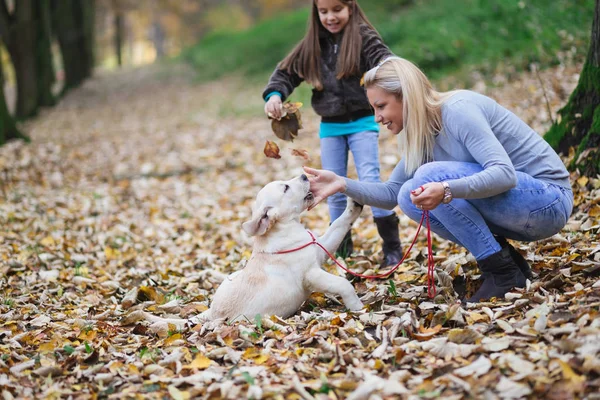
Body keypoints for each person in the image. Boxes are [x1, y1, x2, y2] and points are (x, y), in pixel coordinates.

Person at [304, 57, 573, 302]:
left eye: (381, 106)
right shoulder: (420, 133)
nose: (377, 118)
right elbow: (390, 195)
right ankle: (507, 266)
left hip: (548, 202)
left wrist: (446, 188)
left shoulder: (458, 110)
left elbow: (504, 174)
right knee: (409, 194)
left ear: (406, 96)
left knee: (428, 177)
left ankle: (501, 276)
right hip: (519, 211)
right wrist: (341, 183)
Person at [262, 0, 403, 267]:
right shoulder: (312, 44)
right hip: (331, 125)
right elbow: (286, 72)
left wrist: (395, 70)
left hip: (363, 120)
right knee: (332, 188)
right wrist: (275, 94)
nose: (330, 17)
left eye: (336, 10)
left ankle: (392, 247)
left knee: (370, 179)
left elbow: (383, 60)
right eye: (323, 11)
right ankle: (340, 248)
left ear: (350, 7)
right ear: (316, 12)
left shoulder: (363, 36)